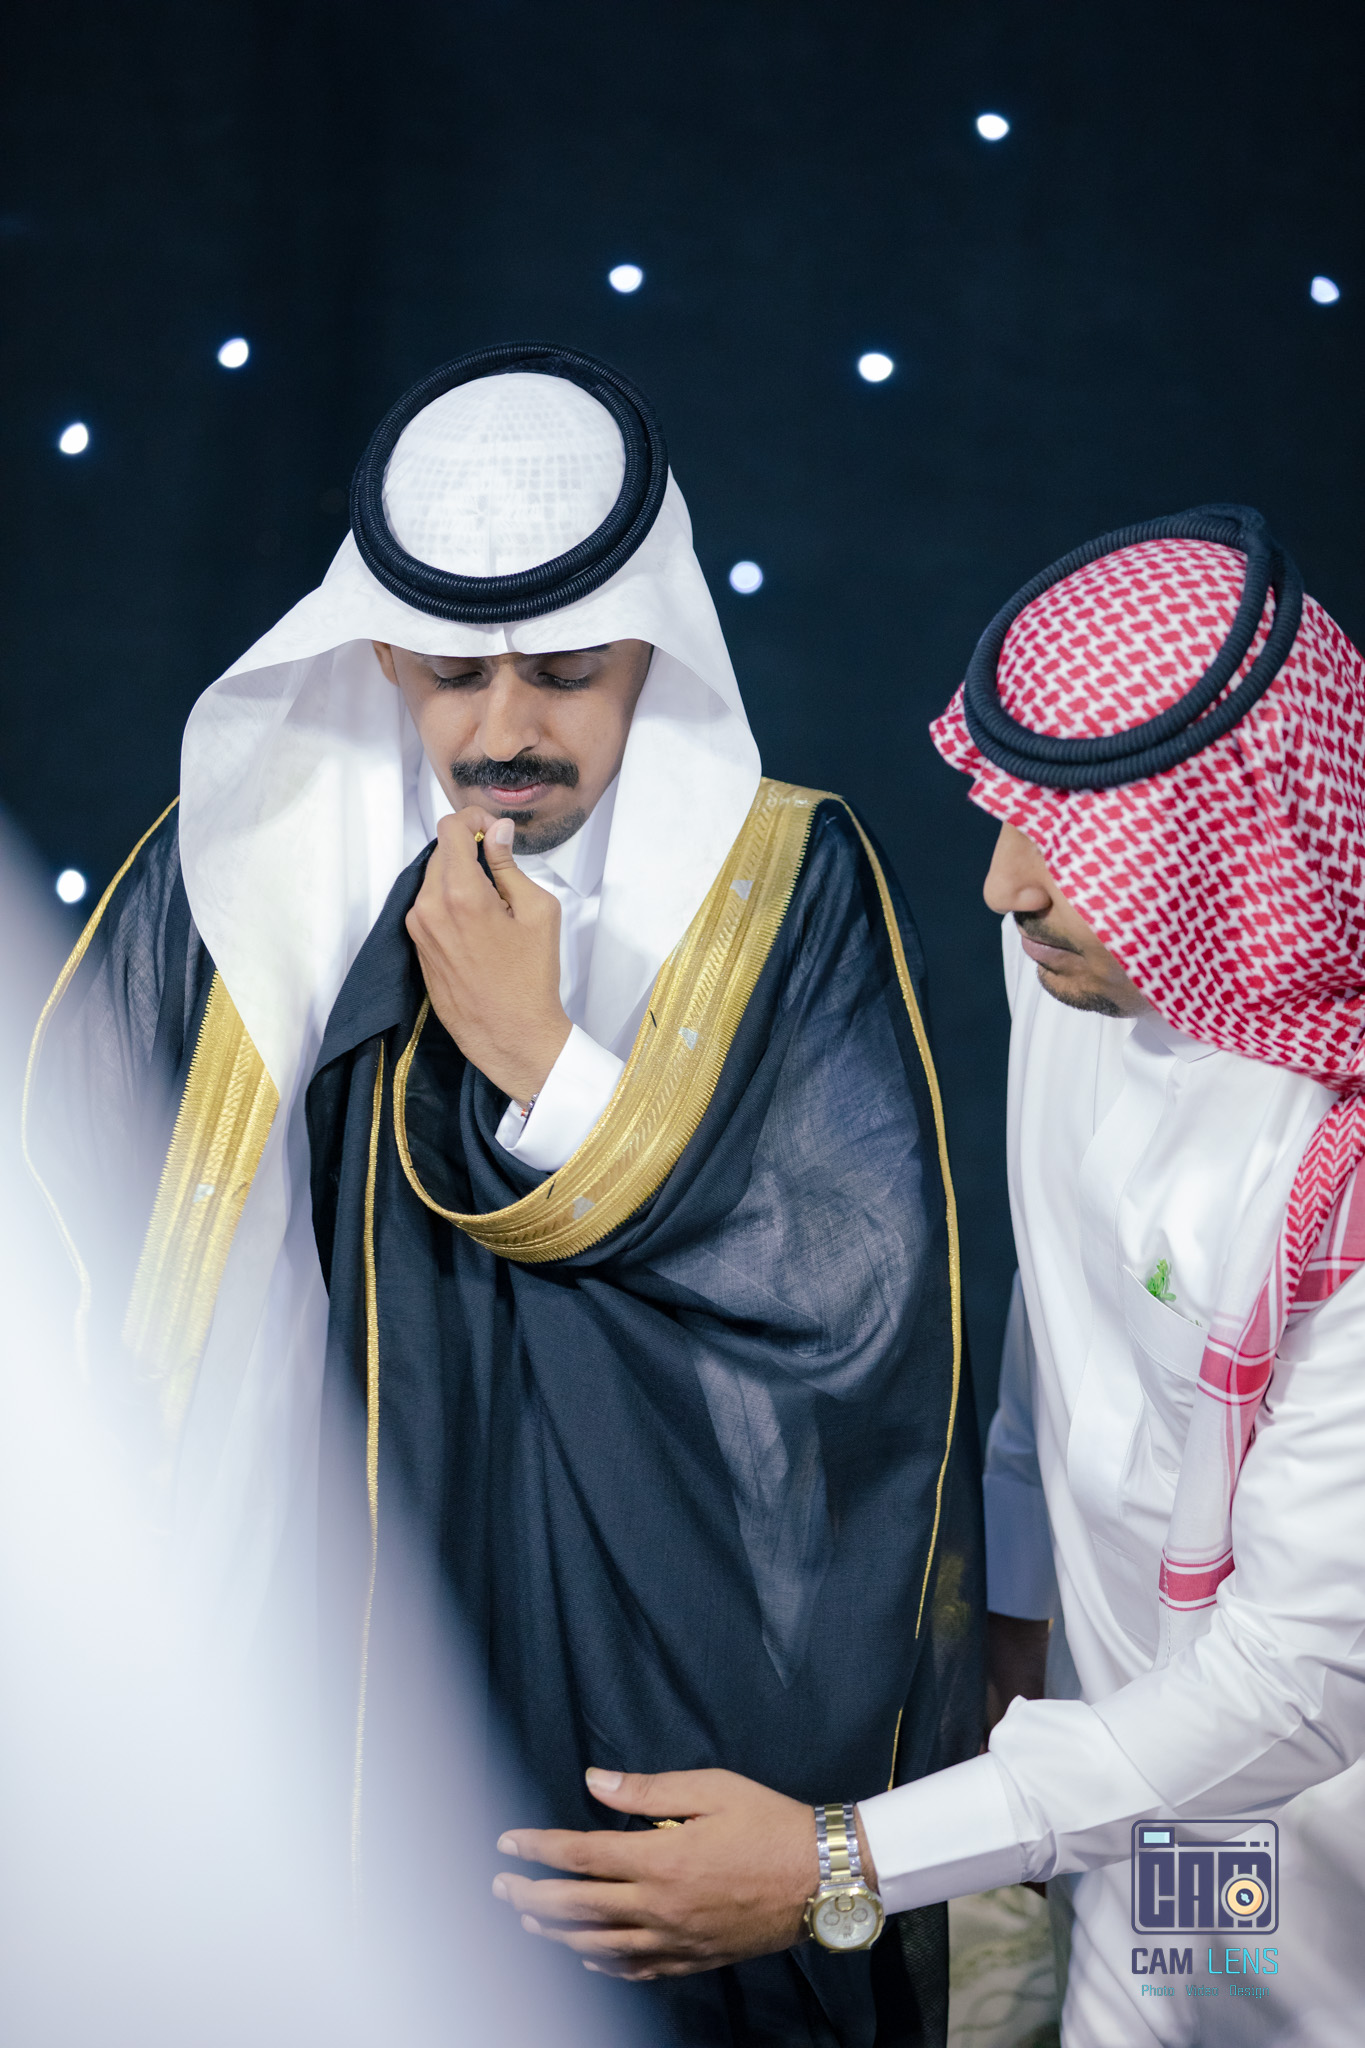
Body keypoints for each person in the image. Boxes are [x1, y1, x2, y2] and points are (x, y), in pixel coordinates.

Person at [23, 344, 983, 2048]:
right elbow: (75, 1236)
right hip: (297, 1630)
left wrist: (544, 1064)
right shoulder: (232, 870)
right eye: (454, 675)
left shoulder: (781, 881)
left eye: (567, 673)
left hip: (634, 1636)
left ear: (652, 656)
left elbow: (859, 1299)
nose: (505, 732)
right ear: (381, 658)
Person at [491, 506, 1365, 2046]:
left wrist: (839, 1863)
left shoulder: (1335, 1154)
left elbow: (1298, 1682)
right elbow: (1063, 1308)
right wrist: (1010, 1615)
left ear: (1229, 852)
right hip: (1118, 1750)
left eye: (1077, 842)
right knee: (1145, 2010)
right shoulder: (1079, 973)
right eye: (1007, 814)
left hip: (1301, 1801)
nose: (1003, 889)